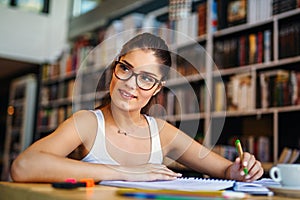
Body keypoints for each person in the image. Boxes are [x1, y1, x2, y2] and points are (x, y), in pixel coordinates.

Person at [11, 32, 263, 183]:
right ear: (114, 69)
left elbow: (225, 170)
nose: (130, 84)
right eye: (126, 69)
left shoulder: (162, 132)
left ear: (156, 89)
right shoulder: (87, 123)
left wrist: (241, 170)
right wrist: (125, 172)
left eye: (146, 78)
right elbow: (23, 167)